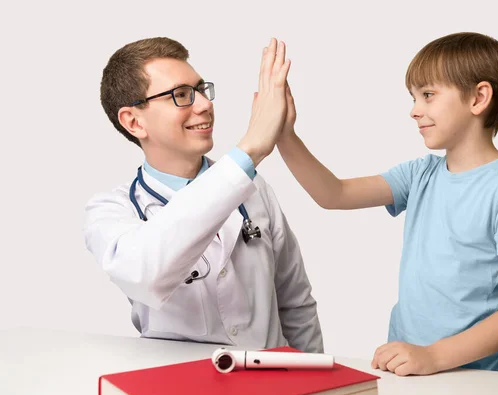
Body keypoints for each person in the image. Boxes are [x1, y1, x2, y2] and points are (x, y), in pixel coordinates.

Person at [276, 32, 498, 386]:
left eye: (428, 95)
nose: (415, 110)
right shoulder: (420, 174)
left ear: (479, 97)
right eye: (415, 97)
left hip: (475, 381)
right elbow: (334, 194)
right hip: (407, 371)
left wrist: (434, 356)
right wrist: (284, 135)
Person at [83, 37, 324, 353]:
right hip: (179, 384)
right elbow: (145, 275)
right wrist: (250, 149)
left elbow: (295, 303)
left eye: (200, 90)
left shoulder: (254, 189)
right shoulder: (111, 212)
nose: (204, 104)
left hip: (271, 385)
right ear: (134, 121)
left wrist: (316, 383)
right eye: (181, 95)